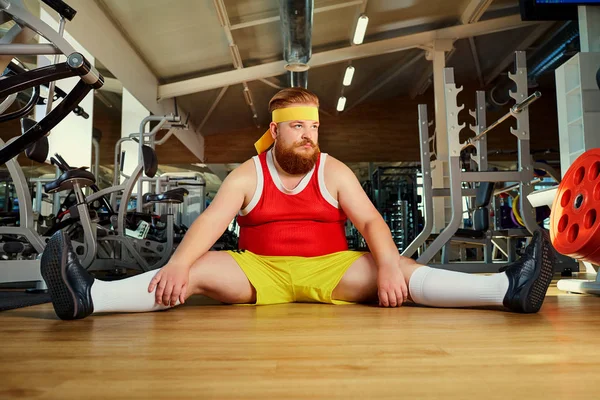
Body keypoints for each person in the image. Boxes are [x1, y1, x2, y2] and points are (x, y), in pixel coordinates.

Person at [40, 87, 555, 320]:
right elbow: (211, 224)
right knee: (196, 269)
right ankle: (91, 298)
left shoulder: (333, 169)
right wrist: (178, 264)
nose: (308, 136)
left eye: (313, 127)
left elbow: (372, 221)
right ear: (275, 130)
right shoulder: (249, 173)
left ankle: (508, 289)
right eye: (298, 127)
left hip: (332, 269)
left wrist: (390, 265)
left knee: (401, 269)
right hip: (258, 269)